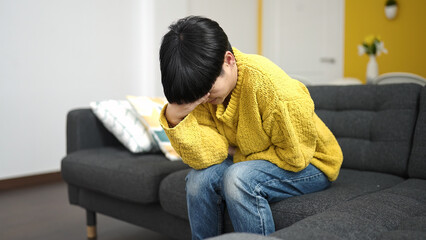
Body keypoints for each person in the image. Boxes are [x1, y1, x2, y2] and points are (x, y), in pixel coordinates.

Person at [158, 16, 343, 240]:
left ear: (229, 61)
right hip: (261, 158)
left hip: (311, 161)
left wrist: (236, 154)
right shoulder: (201, 91)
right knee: (198, 181)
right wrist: (175, 119)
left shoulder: (272, 88)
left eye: (207, 92)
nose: (204, 100)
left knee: (238, 178)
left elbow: (295, 156)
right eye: (198, 96)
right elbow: (212, 155)